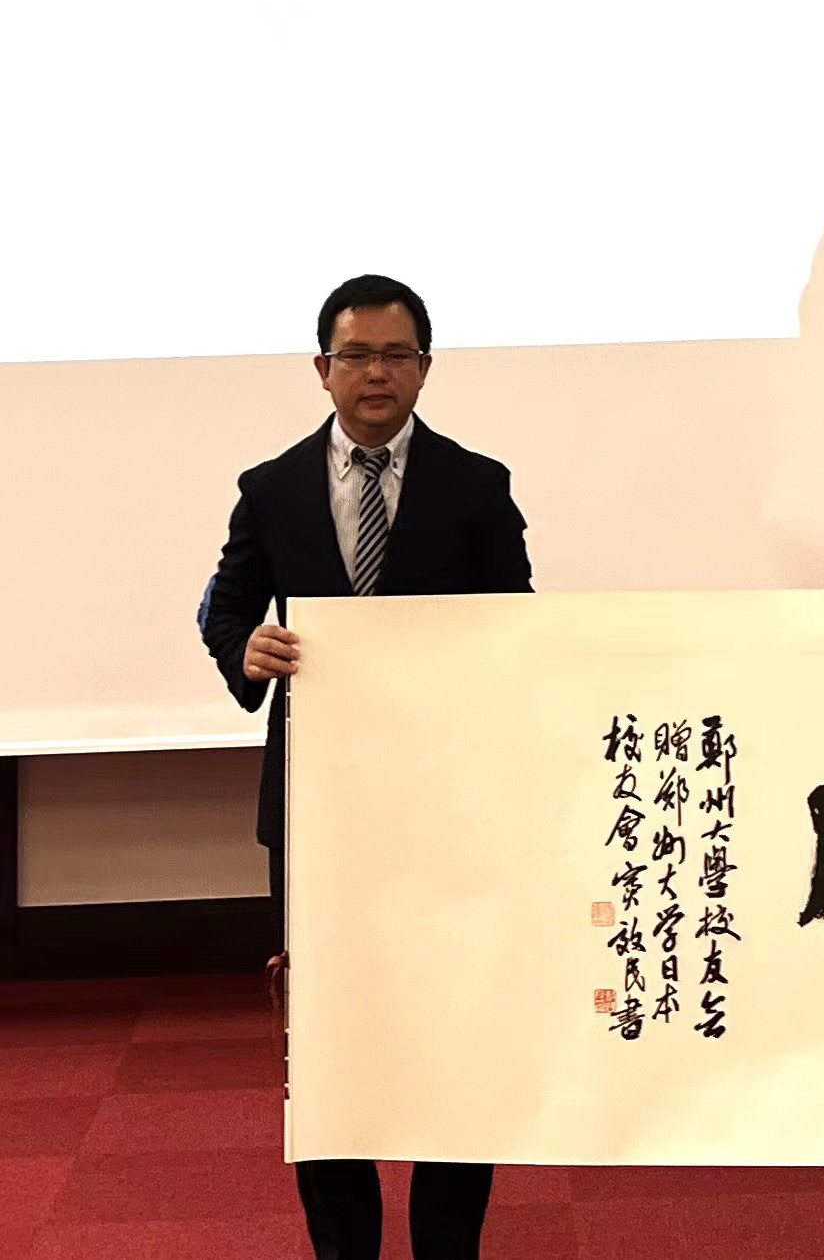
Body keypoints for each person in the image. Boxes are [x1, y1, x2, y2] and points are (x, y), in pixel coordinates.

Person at [201, 274, 531, 1260]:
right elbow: (225, 607)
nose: (375, 373)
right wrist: (245, 648)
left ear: (425, 368)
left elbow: (517, 628)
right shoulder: (270, 487)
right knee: (328, 1043)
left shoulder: (478, 484)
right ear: (322, 368)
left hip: (447, 805)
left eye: (395, 355)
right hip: (318, 809)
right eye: (356, 355)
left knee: (453, 1035)